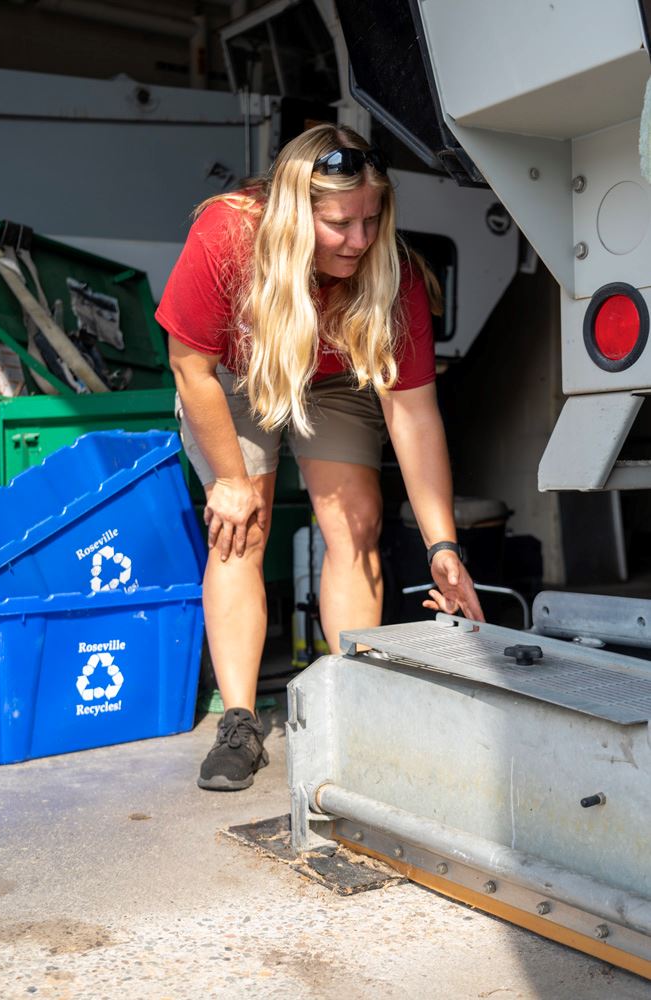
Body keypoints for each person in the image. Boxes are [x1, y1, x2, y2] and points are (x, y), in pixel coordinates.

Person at [156, 123, 483, 791]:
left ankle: (353, 702)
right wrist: (230, 480)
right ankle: (240, 722)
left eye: (371, 219)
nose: (359, 241)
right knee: (240, 529)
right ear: (292, 212)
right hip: (235, 377)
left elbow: (414, 415)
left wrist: (441, 546)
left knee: (357, 520)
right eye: (339, 223)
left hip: (330, 377)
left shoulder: (393, 275)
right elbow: (190, 368)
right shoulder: (227, 238)